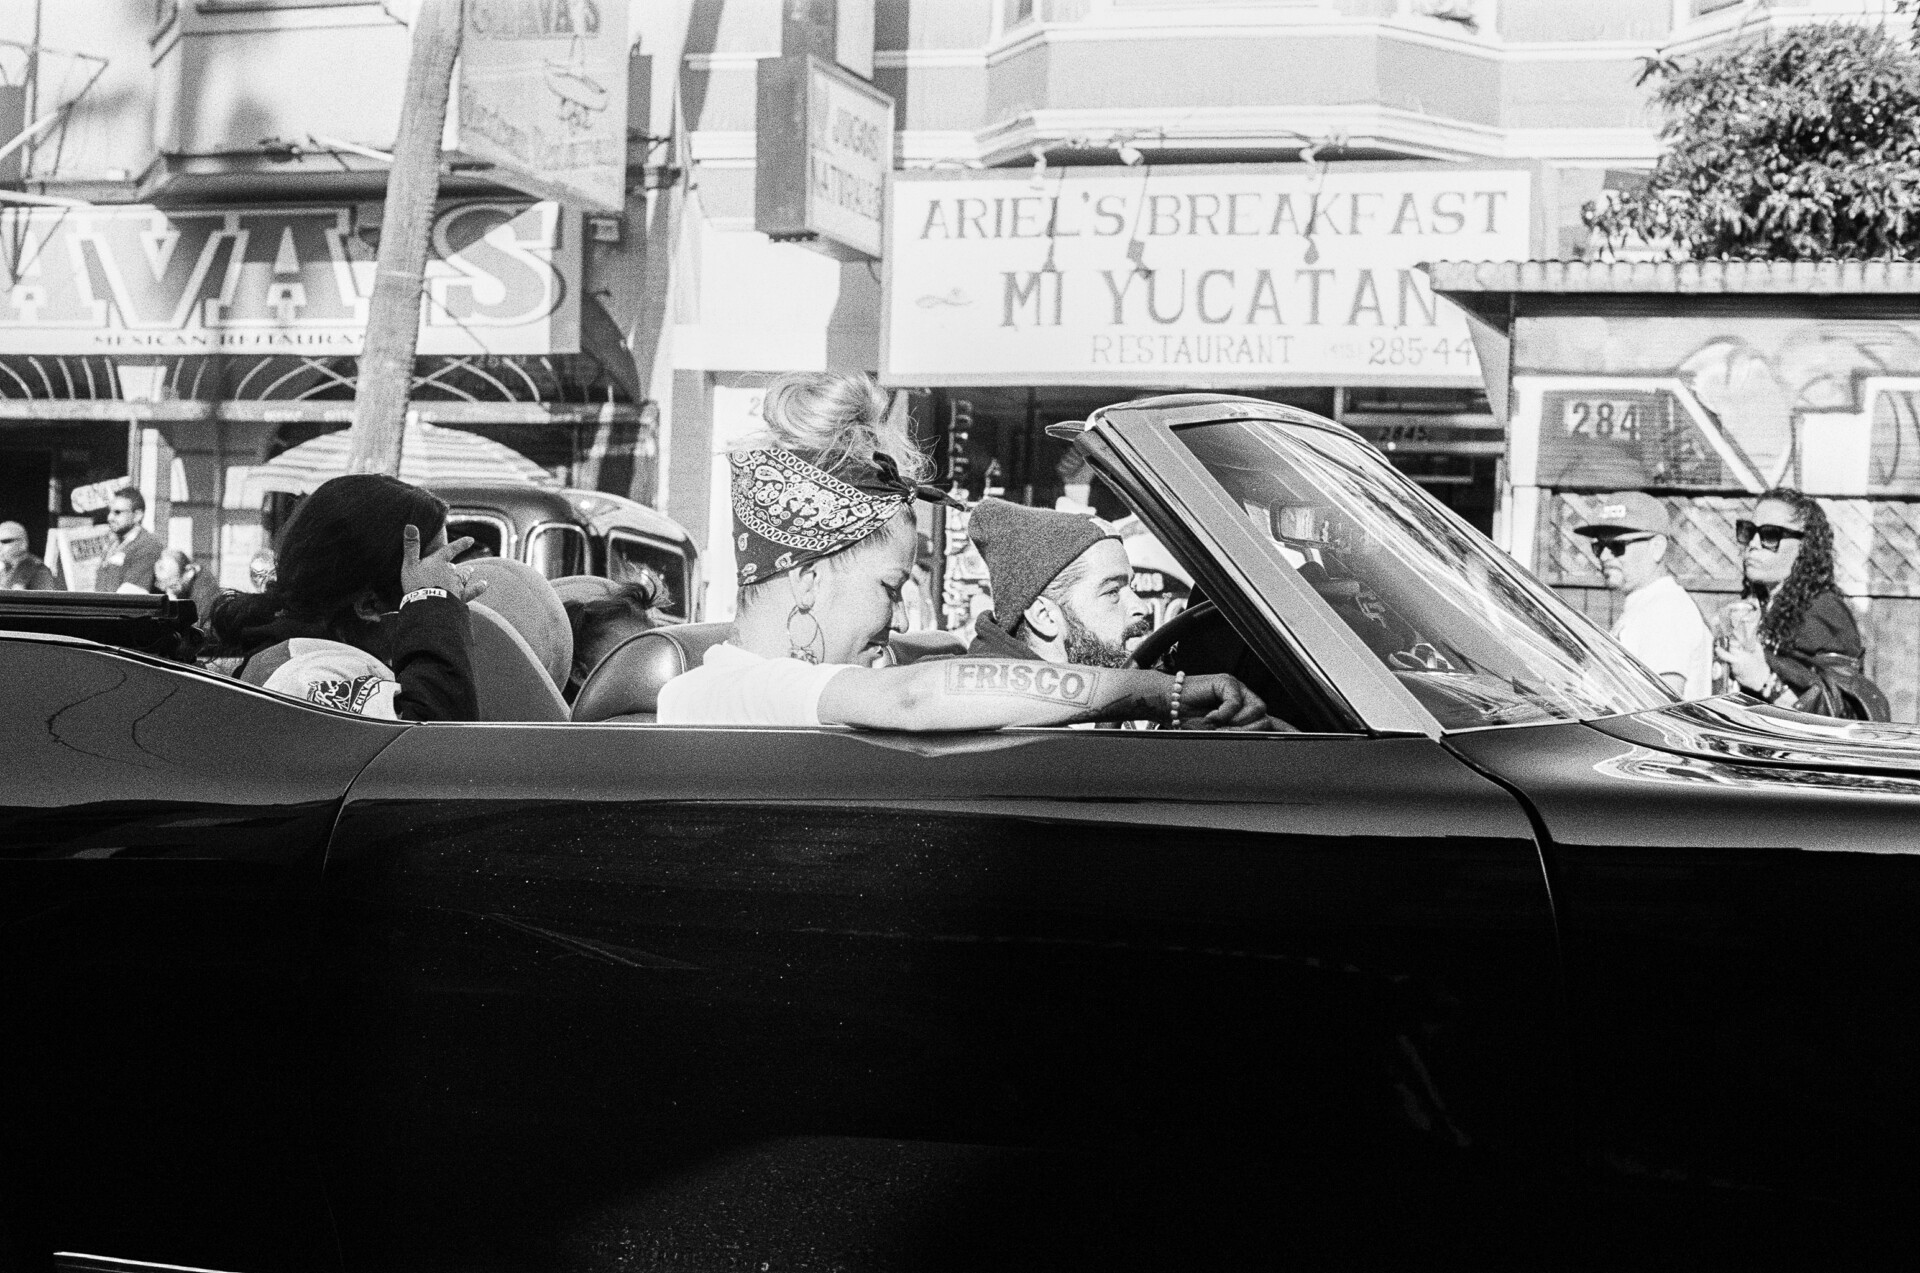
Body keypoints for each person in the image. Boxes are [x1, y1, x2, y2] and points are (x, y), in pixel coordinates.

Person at [657, 370, 1271, 732]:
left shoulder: (807, 688)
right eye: (890, 588)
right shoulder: (722, 692)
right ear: (810, 579)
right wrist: (1150, 690)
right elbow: (915, 697)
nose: (898, 618)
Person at [206, 474, 485, 721]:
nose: (448, 578)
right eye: (429, 570)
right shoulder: (304, 676)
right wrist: (435, 606)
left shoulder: (315, 657)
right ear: (369, 604)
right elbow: (437, 744)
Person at [1715, 486, 1864, 709]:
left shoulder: (1824, 611)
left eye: (1770, 535)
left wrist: (1766, 681)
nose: (1753, 544)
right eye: (1749, 532)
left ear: (1804, 546)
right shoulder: (1757, 607)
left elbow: (1844, 713)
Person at [965, 497, 1150, 667]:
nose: (1141, 607)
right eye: (1112, 591)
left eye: (1131, 587)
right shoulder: (995, 701)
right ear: (1044, 616)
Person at [1574, 492, 1712, 698]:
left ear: (1657, 547)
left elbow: (1662, 705)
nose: (1604, 556)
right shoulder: (1649, 604)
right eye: (1598, 546)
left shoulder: (1665, 610)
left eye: (1616, 546)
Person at [94, 489, 164, 594]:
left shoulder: (148, 545)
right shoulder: (114, 541)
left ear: (137, 515)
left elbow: (131, 594)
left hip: (121, 608)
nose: (110, 517)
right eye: (110, 511)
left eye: (117, 512)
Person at [154, 548, 221, 618]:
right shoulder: (186, 585)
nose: (168, 591)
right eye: (161, 584)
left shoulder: (204, 589)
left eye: (173, 586)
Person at [0, 522, 57, 590]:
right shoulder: (4, 569)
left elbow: (46, 598)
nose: (0, 546)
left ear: (23, 543)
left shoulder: (38, 569)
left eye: (5, 541)